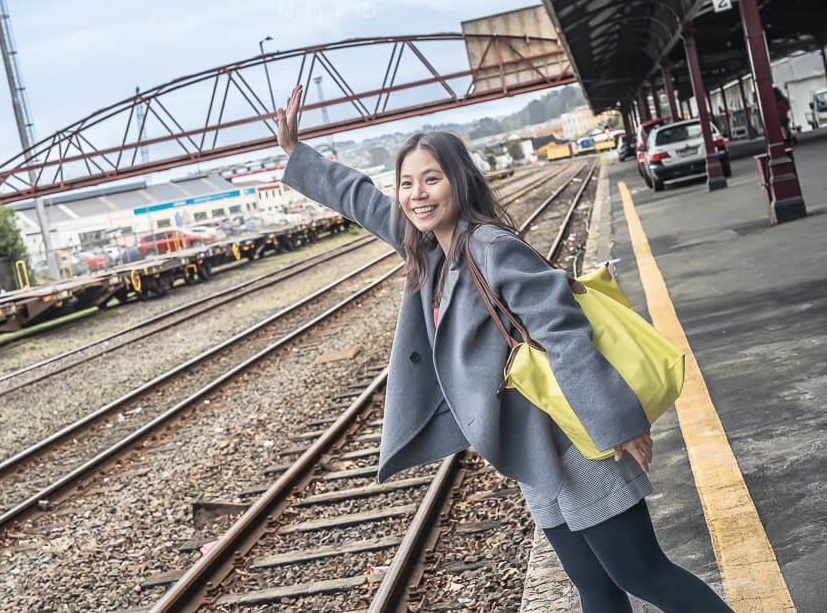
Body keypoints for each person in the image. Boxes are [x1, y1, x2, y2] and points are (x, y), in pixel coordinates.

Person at [275, 85, 733, 612]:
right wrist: (297, 155)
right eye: (406, 183)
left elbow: (564, 333)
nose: (417, 194)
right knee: (595, 587)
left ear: (459, 182)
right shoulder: (431, 251)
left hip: (575, 436)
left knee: (644, 574)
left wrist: (619, 423)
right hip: (533, 450)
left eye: (431, 179)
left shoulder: (491, 248)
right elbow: (364, 202)